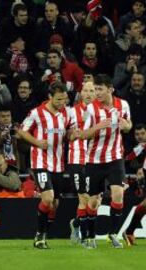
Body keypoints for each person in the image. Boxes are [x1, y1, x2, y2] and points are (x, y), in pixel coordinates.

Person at [79, 74, 132, 249]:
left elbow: (129, 124)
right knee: (93, 201)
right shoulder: (90, 110)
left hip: (115, 158)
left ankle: (113, 234)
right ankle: (90, 236)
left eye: (100, 89)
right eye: (95, 89)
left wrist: (127, 126)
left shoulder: (122, 105)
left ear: (110, 89)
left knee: (118, 194)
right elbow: (82, 135)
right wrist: (96, 127)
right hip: (94, 160)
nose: (96, 93)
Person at [19, 82, 70, 249]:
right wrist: (37, 142)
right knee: (47, 198)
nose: (62, 102)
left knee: (54, 203)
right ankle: (39, 235)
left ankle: (44, 233)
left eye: (64, 99)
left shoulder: (66, 114)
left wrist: (72, 135)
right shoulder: (36, 113)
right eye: (58, 99)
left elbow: (70, 131)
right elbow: (21, 131)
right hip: (41, 162)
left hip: (58, 164)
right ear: (49, 97)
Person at [68, 81, 98, 247]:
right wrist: (74, 135)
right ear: (81, 93)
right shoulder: (73, 112)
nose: (88, 93)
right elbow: (68, 136)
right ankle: (87, 238)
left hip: (98, 160)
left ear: (96, 93)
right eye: (85, 90)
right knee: (85, 198)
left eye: (91, 90)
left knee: (95, 201)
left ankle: (77, 224)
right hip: (78, 160)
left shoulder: (101, 112)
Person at [122, 124, 146, 246]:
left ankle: (129, 232)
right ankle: (129, 232)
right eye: (137, 134)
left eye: (142, 133)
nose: (140, 136)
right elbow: (126, 158)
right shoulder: (137, 147)